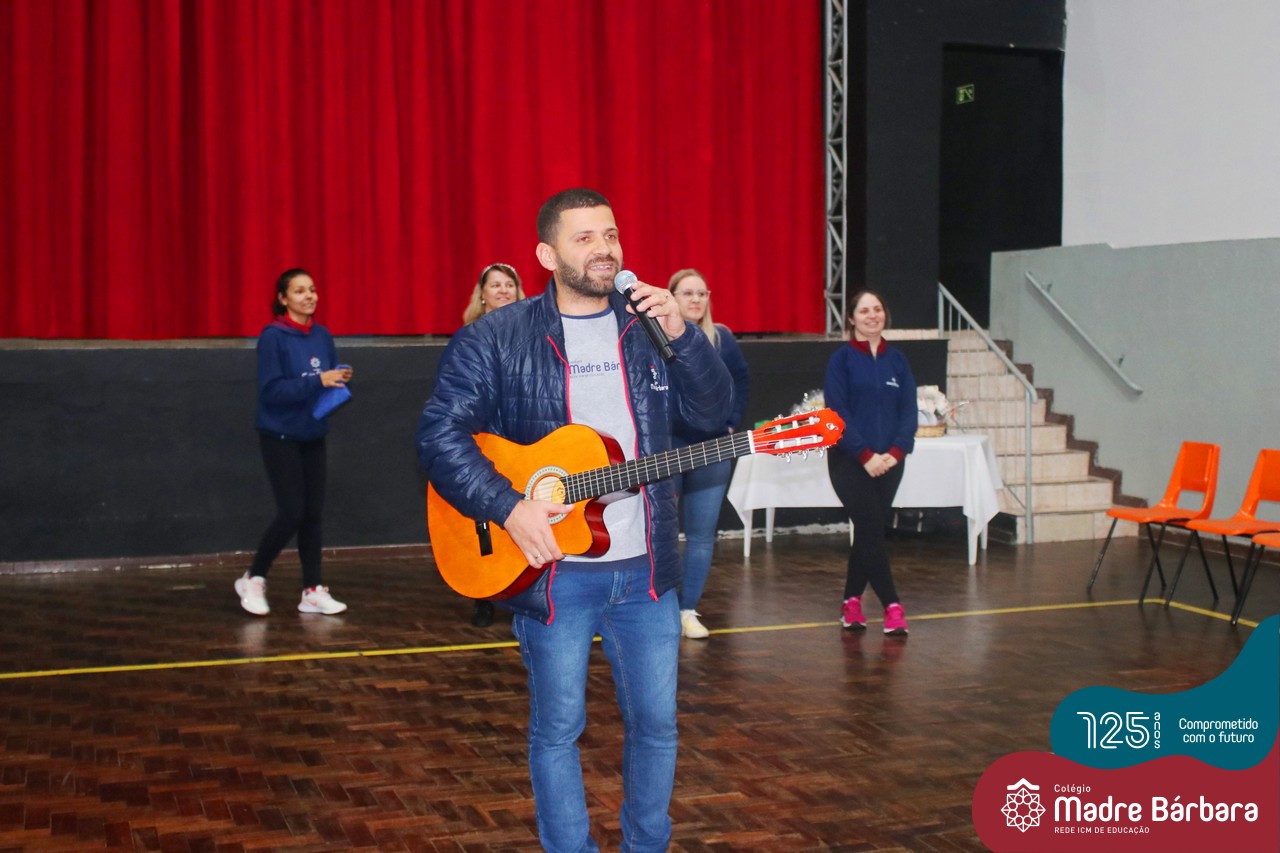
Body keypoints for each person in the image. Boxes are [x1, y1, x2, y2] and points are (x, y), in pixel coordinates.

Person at [416, 188, 732, 852]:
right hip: (554, 572)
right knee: (558, 729)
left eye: (610, 234)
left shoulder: (649, 329)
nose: (604, 248)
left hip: (646, 571)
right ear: (546, 254)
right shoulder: (496, 337)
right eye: (584, 237)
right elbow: (439, 436)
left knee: (658, 726)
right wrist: (508, 506)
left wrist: (685, 337)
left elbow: (710, 414)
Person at [236, 268, 351, 617]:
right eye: (299, 291)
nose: (309, 296)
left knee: (312, 514)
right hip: (280, 435)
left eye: (312, 289)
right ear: (283, 298)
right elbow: (272, 392)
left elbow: (322, 379)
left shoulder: (322, 335)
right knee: (292, 512)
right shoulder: (273, 337)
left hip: (312, 433)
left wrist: (337, 379)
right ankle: (253, 577)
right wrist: (319, 380)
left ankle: (312, 590)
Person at [823, 290, 917, 636]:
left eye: (877, 309)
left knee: (869, 531)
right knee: (871, 528)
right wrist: (864, 455)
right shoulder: (841, 360)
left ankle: (851, 602)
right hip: (850, 462)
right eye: (864, 311)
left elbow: (909, 411)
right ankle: (892, 605)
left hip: (890, 462)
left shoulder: (899, 361)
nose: (872, 315)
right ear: (852, 319)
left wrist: (896, 452)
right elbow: (837, 413)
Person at [667, 269, 750, 640]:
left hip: (713, 449)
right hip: (668, 450)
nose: (696, 300)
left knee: (701, 537)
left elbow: (741, 379)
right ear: (671, 297)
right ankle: (661, 609)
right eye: (687, 293)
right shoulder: (653, 335)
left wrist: (731, 422)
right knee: (662, 533)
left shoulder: (722, 338)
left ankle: (687, 610)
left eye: (702, 293)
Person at [461, 262, 526, 628]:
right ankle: (482, 594)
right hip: (484, 438)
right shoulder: (470, 338)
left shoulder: (534, 333)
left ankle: (521, 586)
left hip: (524, 439)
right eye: (495, 285)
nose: (503, 290)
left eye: (509, 284)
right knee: (484, 514)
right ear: (482, 295)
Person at [462, 261, 526, 326]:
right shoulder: (472, 330)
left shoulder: (529, 327)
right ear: (482, 293)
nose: (504, 290)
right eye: (496, 285)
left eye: (510, 285)